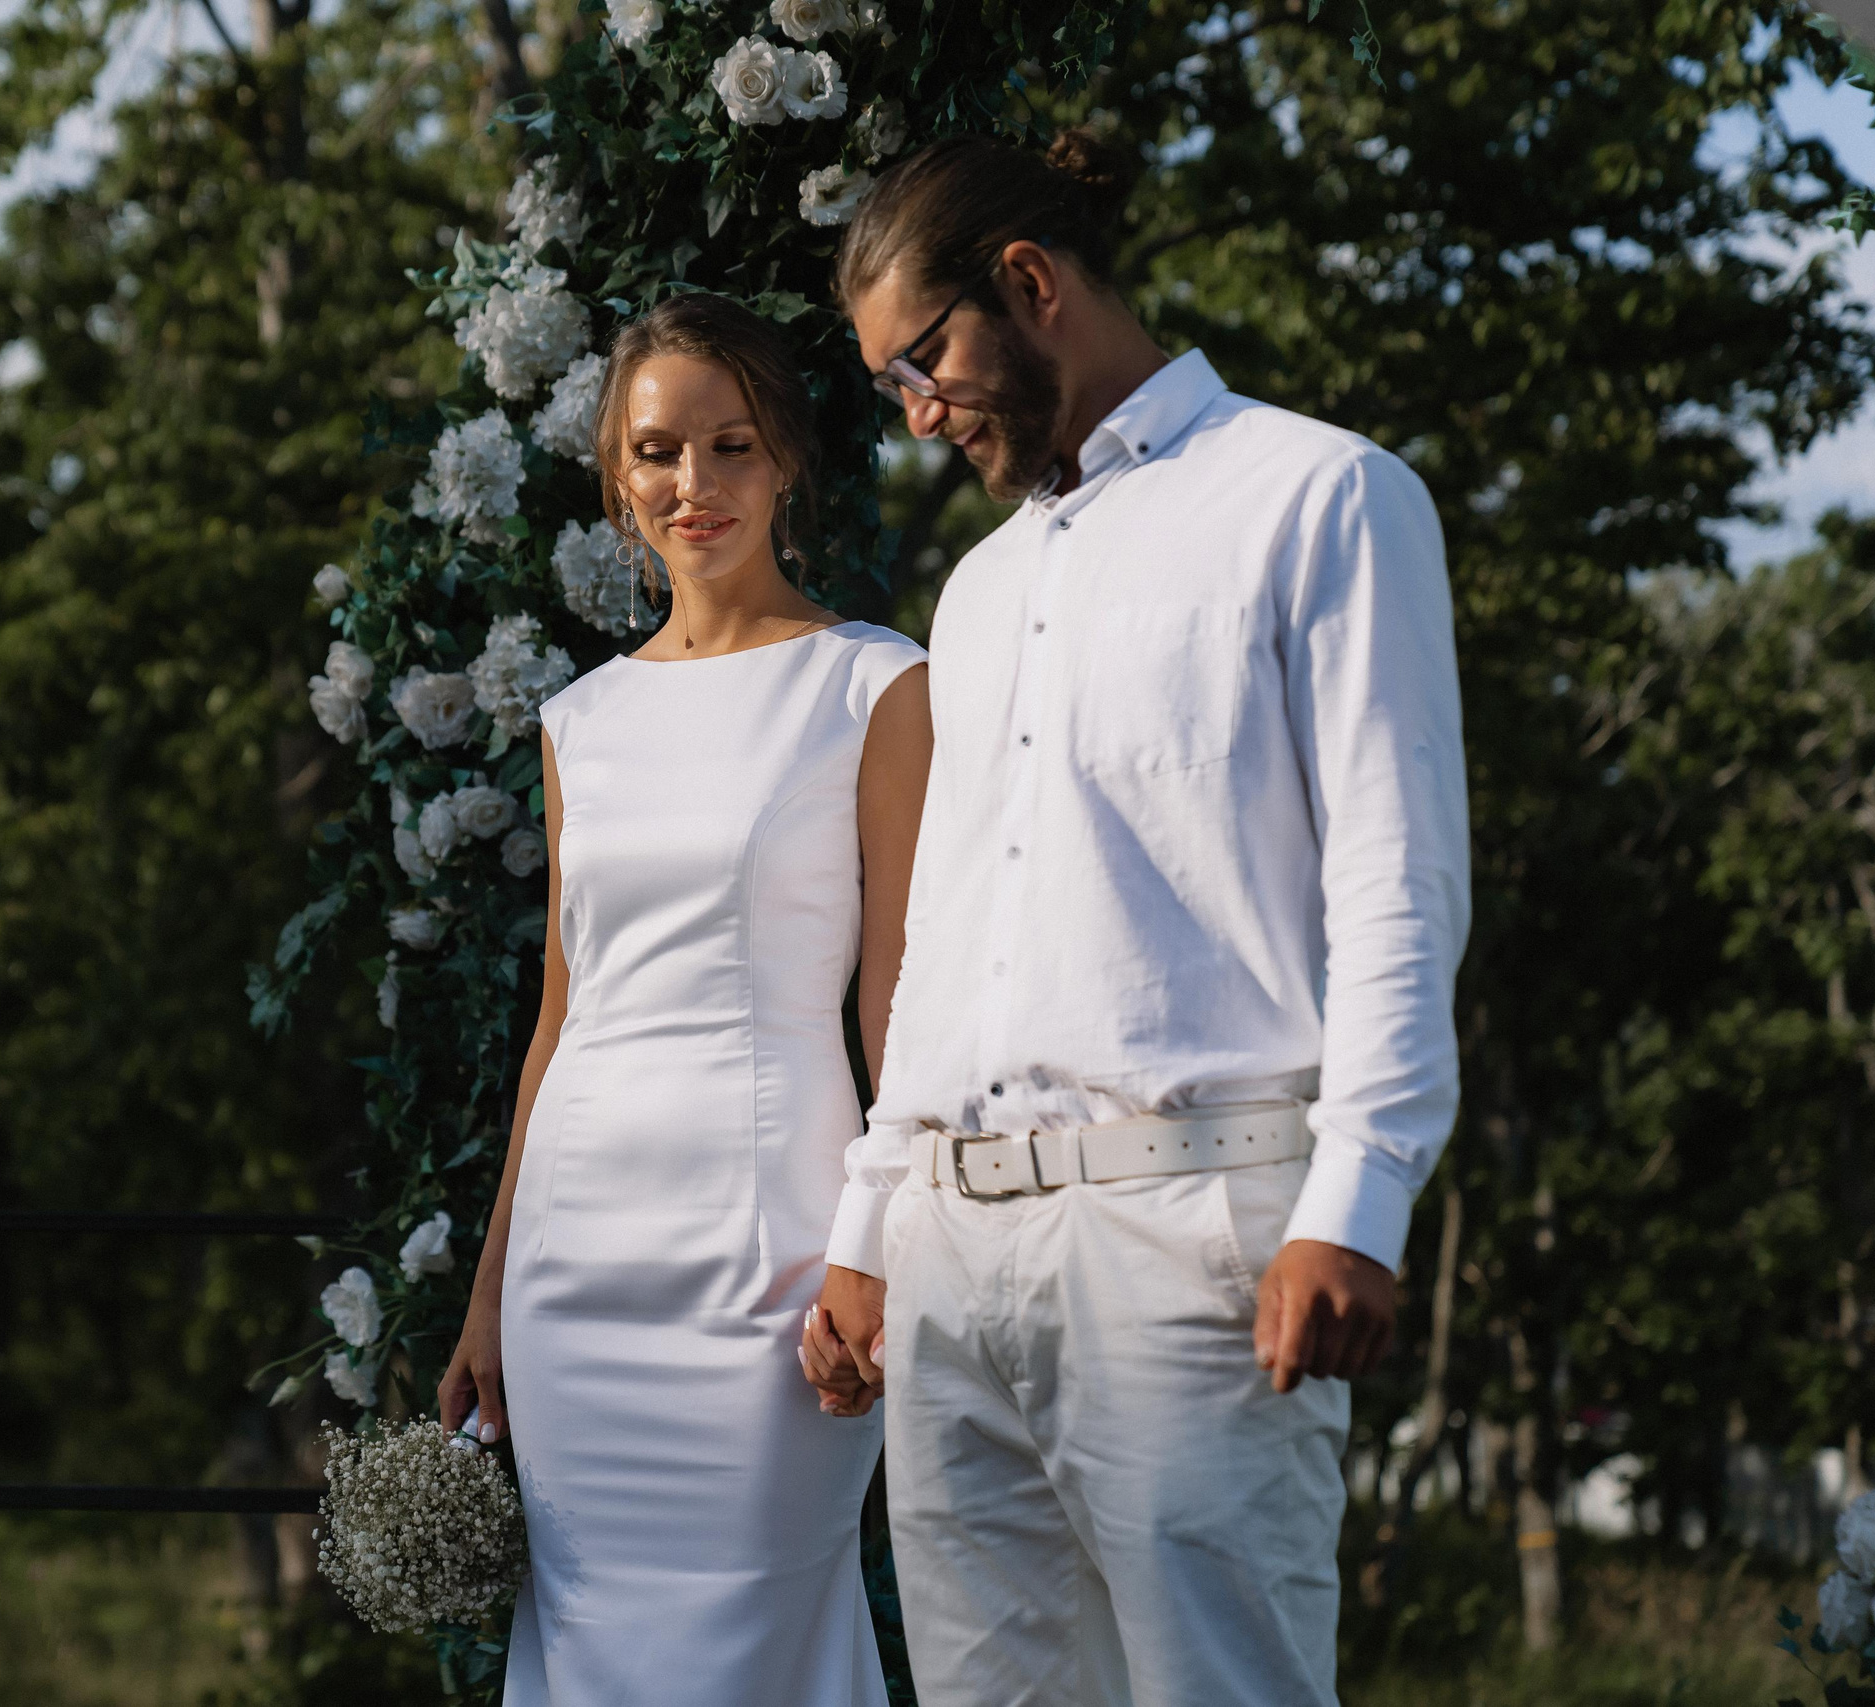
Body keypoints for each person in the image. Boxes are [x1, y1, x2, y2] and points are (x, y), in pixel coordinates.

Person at [804, 127, 1472, 1706]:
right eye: (889, 383)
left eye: (924, 361)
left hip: (1197, 1247)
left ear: (1029, 284)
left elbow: (1398, 877)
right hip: (959, 1260)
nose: (916, 412)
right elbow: (951, 948)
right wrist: (869, 1231)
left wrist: (1356, 1200)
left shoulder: (1322, 498)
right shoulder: (974, 594)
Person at [437, 292, 933, 1707]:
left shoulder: (873, 687)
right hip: (574, 1279)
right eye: (659, 453)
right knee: (587, 1658)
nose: (693, 486)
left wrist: (877, 1244)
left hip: (772, 1258)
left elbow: (903, 1003)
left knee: (754, 1647)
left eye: (729, 446)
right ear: (616, 479)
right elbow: (559, 1019)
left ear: (785, 461)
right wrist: (487, 1298)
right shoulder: (577, 721)